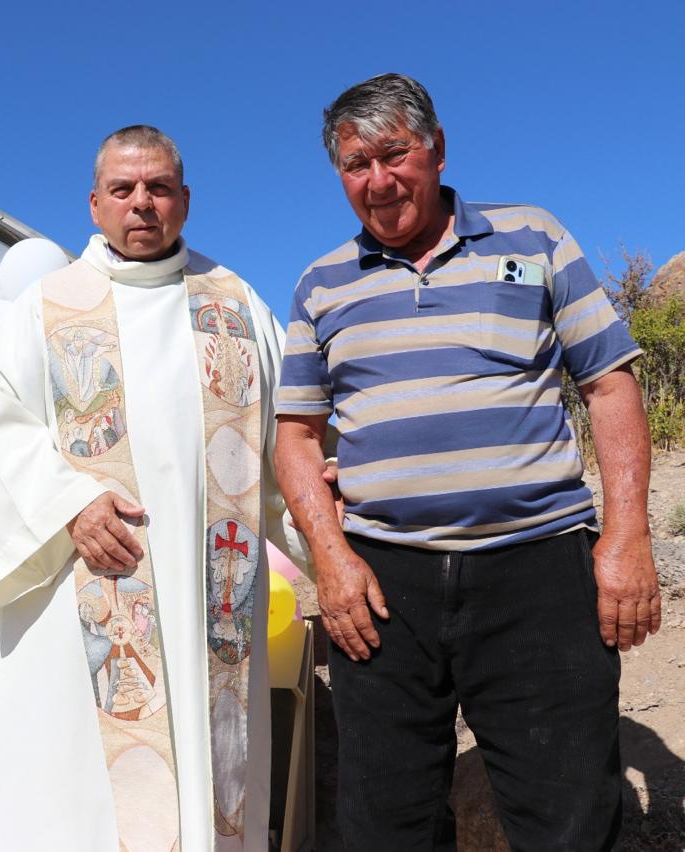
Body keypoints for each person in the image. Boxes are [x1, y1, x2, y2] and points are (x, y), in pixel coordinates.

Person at [274, 73, 660, 851]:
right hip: (384, 585)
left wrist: (627, 538)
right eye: (356, 164)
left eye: (394, 153)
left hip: (538, 573)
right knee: (385, 824)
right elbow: (297, 436)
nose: (378, 181)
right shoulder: (321, 283)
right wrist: (331, 557)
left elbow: (610, 388)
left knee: (571, 817)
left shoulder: (535, 237)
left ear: (437, 150)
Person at [0, 125, 307, 851]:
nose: (141, 204)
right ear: (95, 204)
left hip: (208, 600)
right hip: (84, 585)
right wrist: (71, 503)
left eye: (158, 188)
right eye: (124, 190)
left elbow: (291, 447)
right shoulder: (47, 308)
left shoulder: (236, 308)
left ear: (184, 201)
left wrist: (337, 540)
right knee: (74, 798)